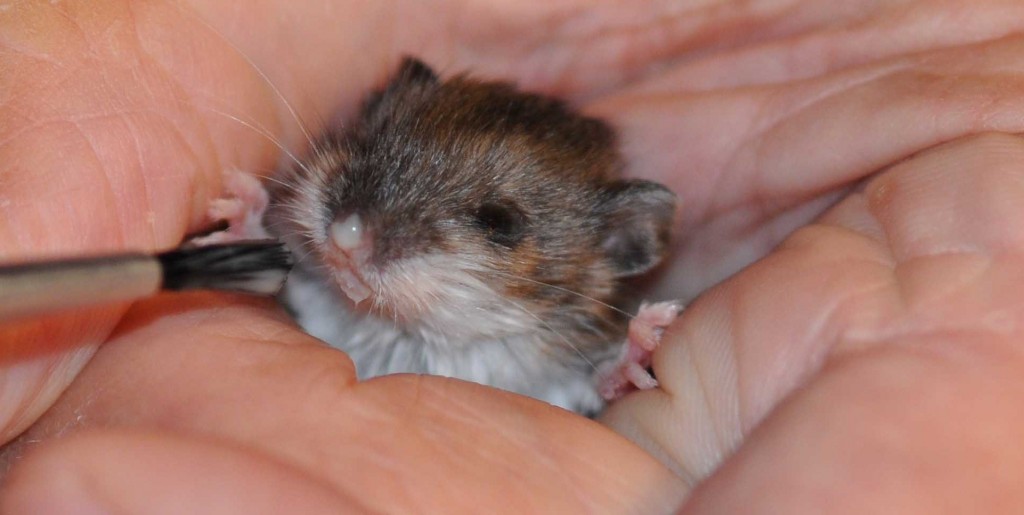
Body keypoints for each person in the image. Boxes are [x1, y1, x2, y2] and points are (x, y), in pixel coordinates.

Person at [2, 0, 1023, 512]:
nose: (358, 238)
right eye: (376, 154)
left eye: (494, 224)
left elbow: (588, 387)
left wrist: (619, 368)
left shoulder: (575, 343)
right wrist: (249, 236)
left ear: (616, 252)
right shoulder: (324, 240)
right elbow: (293, 272)